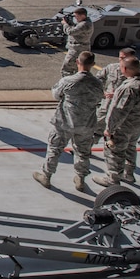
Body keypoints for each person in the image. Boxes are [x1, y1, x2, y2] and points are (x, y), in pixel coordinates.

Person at [32, 51, 104, 192]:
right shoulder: (97, 84)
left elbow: (56, 95)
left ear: (78, 62)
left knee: (55, 148)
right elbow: (99, 99)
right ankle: (80, 179)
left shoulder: (68, 81)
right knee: (82, 153)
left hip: (65, 122)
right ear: (93, 65)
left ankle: (46, 176)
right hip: (86, 124)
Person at [93, 57, 140, 187]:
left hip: (124, 126)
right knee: (131, 147)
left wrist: (109, 129)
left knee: (114, 151)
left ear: (125, 69)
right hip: (139, 124)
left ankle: (112, 178)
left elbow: (119, 111)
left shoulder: (129, 87)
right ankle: (128, 174)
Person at [94, 48, 140, 143]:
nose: (121, 60)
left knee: (119, 143)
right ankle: (84, 151)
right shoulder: (112, 68)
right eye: (120, 57)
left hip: (126, 115)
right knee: (95, 131)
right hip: (106, 109)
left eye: (124, 58)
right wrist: (102, 93)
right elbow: (97, 79)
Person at [60, 7, 92, 76]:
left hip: (77, 50)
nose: (76, 18)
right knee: (77, 70)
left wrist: (65, 24)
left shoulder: (84, 24)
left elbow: (70, 31)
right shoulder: (83, 22)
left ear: (83, 16)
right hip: (78, 48)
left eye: (77, 16)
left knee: (67, 69)